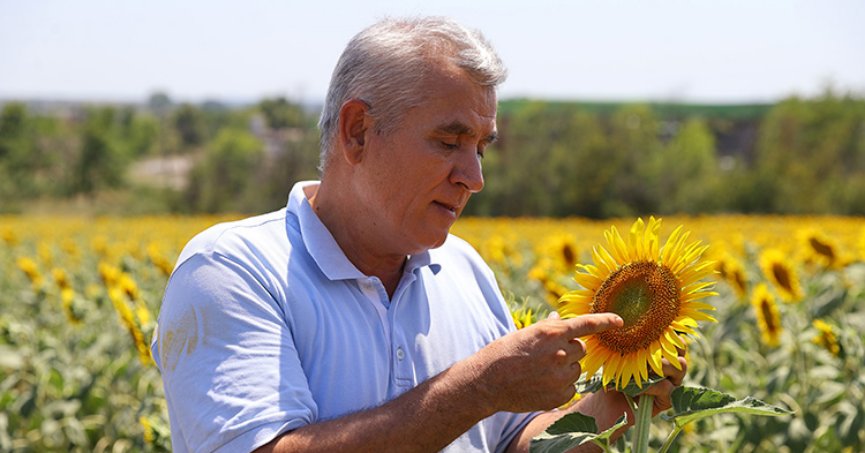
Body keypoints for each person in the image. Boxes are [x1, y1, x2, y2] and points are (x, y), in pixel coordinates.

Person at [151, 16, 687, 453]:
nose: (474, 178)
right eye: (448, 141)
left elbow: (507, 445)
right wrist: (476, 387)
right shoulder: (232, 270)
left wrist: (612, 406)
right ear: (357, 131)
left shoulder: (464, 269)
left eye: (480, 147)